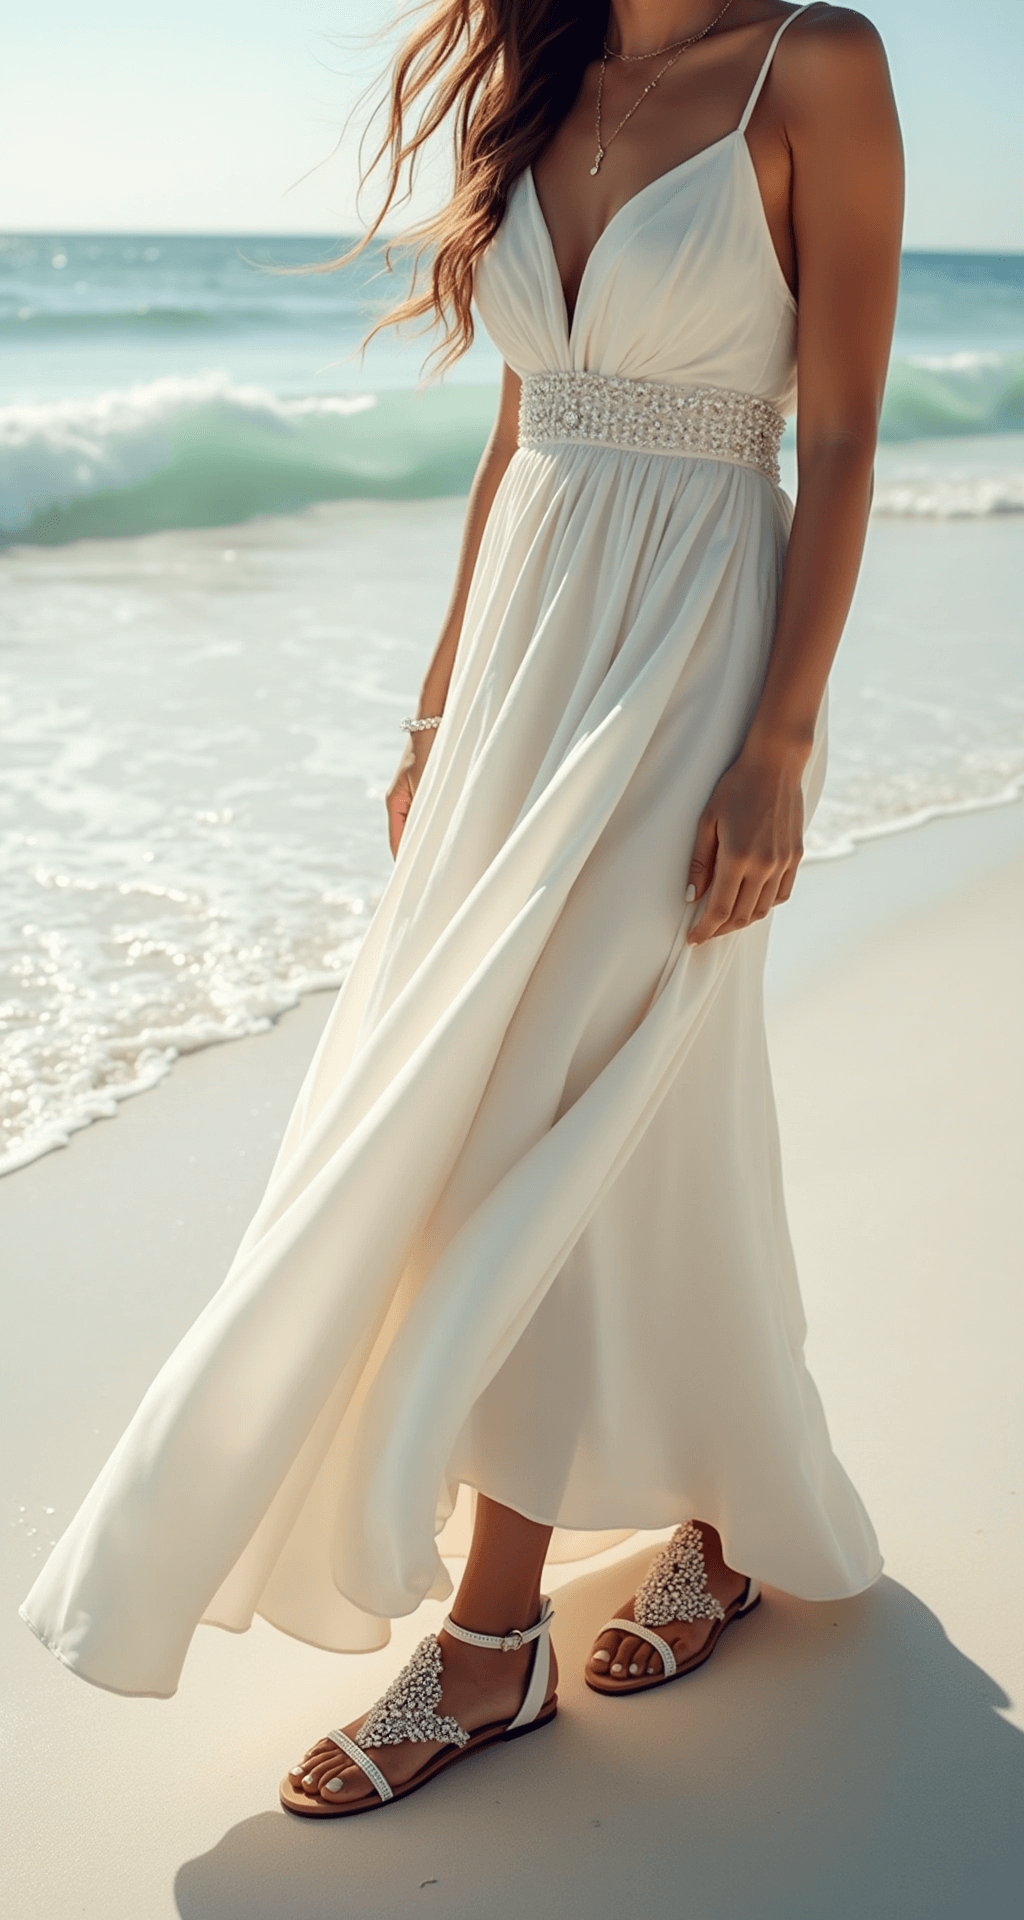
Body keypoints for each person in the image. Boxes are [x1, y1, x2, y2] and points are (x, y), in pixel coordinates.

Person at [21, 0, 904, 1819]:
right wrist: (435, 715)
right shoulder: (540, 77)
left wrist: (779, 742)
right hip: (525, 653)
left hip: (691, 645)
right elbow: (519, 434)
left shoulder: (814, 63)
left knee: (548, 1089)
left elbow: (840, 435)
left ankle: (494, 1639)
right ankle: (725, 1512)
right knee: (618, 1105)